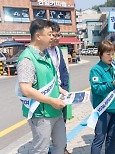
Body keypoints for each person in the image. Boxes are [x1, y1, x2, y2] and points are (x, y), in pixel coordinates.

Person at [16, 19, 66, 154]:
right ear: (38, 36)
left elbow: (50, 81)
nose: (52, 37)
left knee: (60, 145)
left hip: (56, 111)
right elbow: (25, 89)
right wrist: (51, 100)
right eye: (49, 34)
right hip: (41, 114)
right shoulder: (27, 59)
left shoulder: (47, 55)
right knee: (41, 150)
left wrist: (61, 91)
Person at [89, 40, 115, 154]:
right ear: (100, 54)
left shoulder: (114, 67)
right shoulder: (96, 70)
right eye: (108, 54)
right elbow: (97, 89)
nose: (111, 57)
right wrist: (112, 84)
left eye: (112, 54)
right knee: (99, 139)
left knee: (112, 138)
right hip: (103, 110)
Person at [47, 21, 70, 154]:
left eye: (58, 35)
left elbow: (63, 71)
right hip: (49, 94)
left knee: (62, 122)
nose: (56, 38)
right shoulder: (42, 51)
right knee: (50, 123)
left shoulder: (58, 50)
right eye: (54, 35)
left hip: (61, 92)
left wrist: (65, 88)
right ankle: (50, 148)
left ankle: (62, 147)